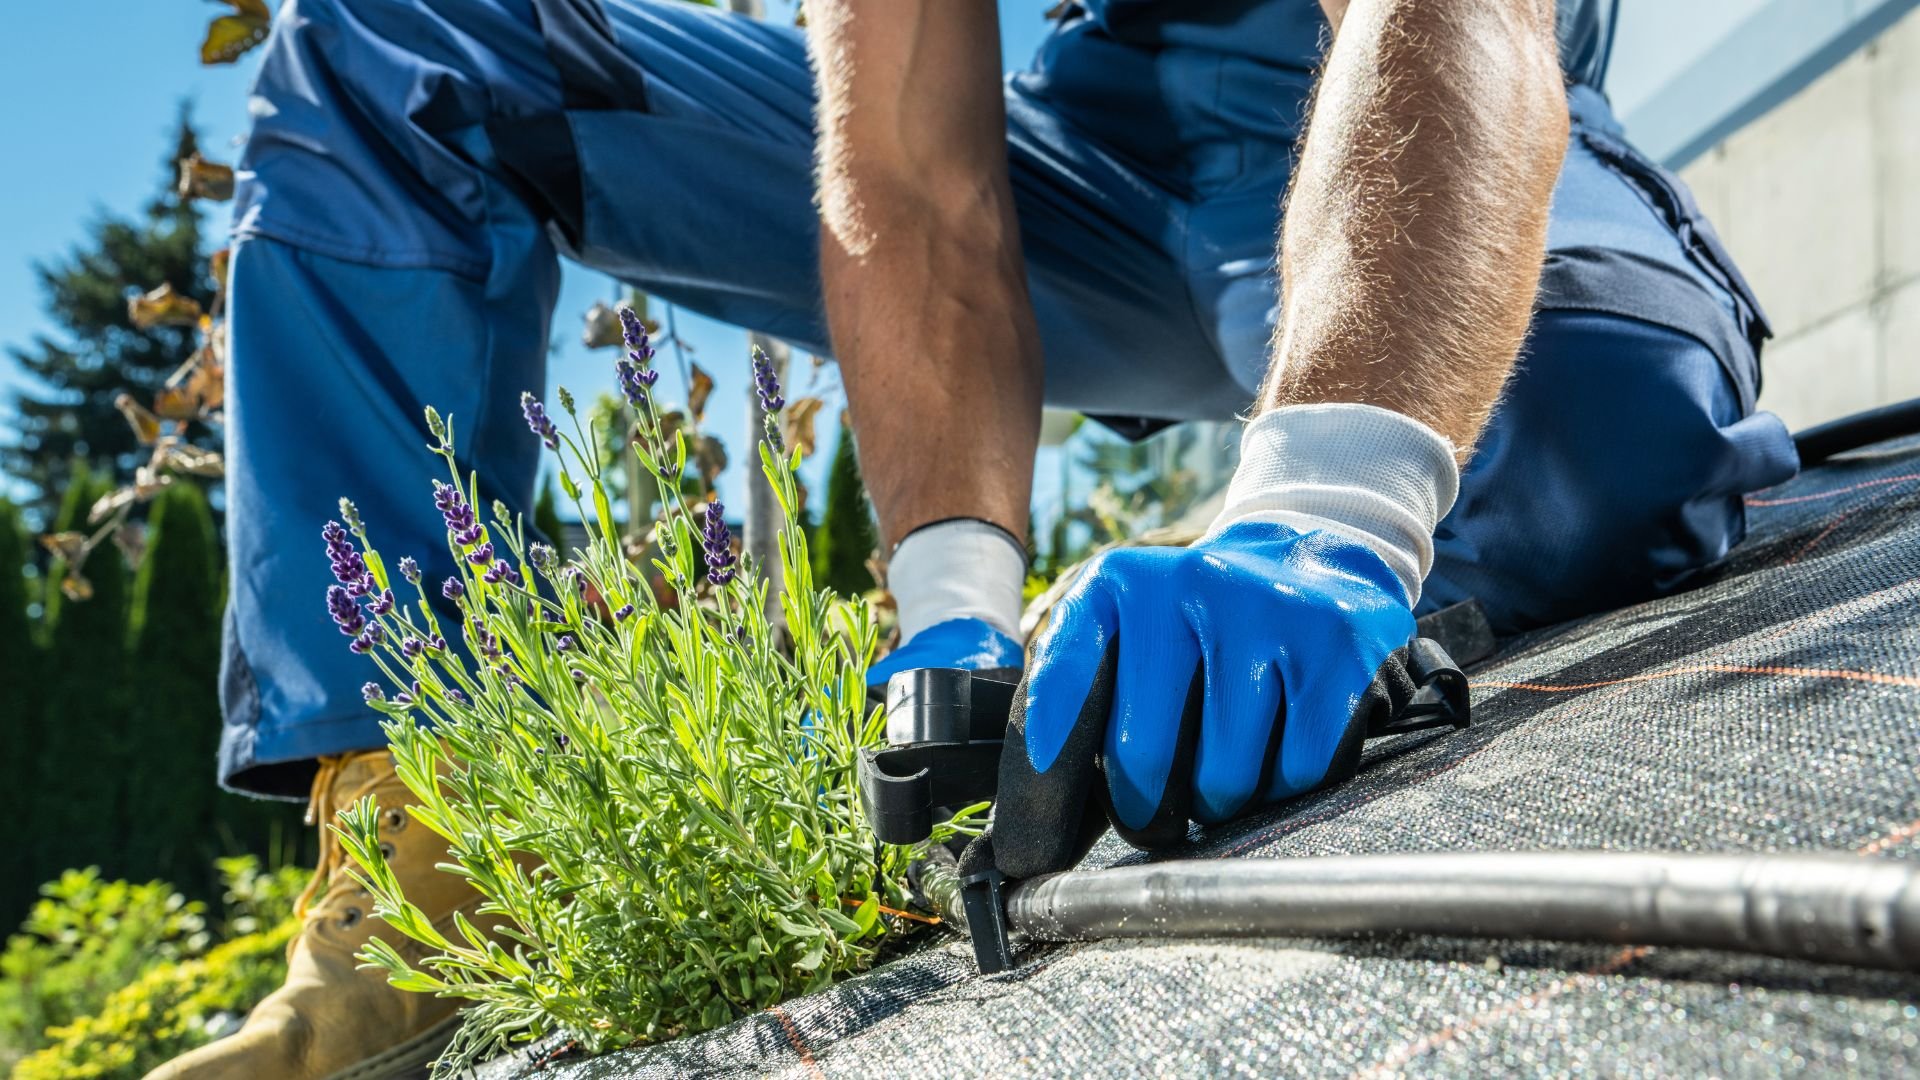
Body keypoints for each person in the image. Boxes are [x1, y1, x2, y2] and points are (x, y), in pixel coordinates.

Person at [149, 0, 1798, 1076]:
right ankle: (436, 877)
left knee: (1595, 451)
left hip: (1425, 112)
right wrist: (951, 606)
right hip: (1095, 159)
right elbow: (912, 175)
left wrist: (1337, 502)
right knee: (398, 49)